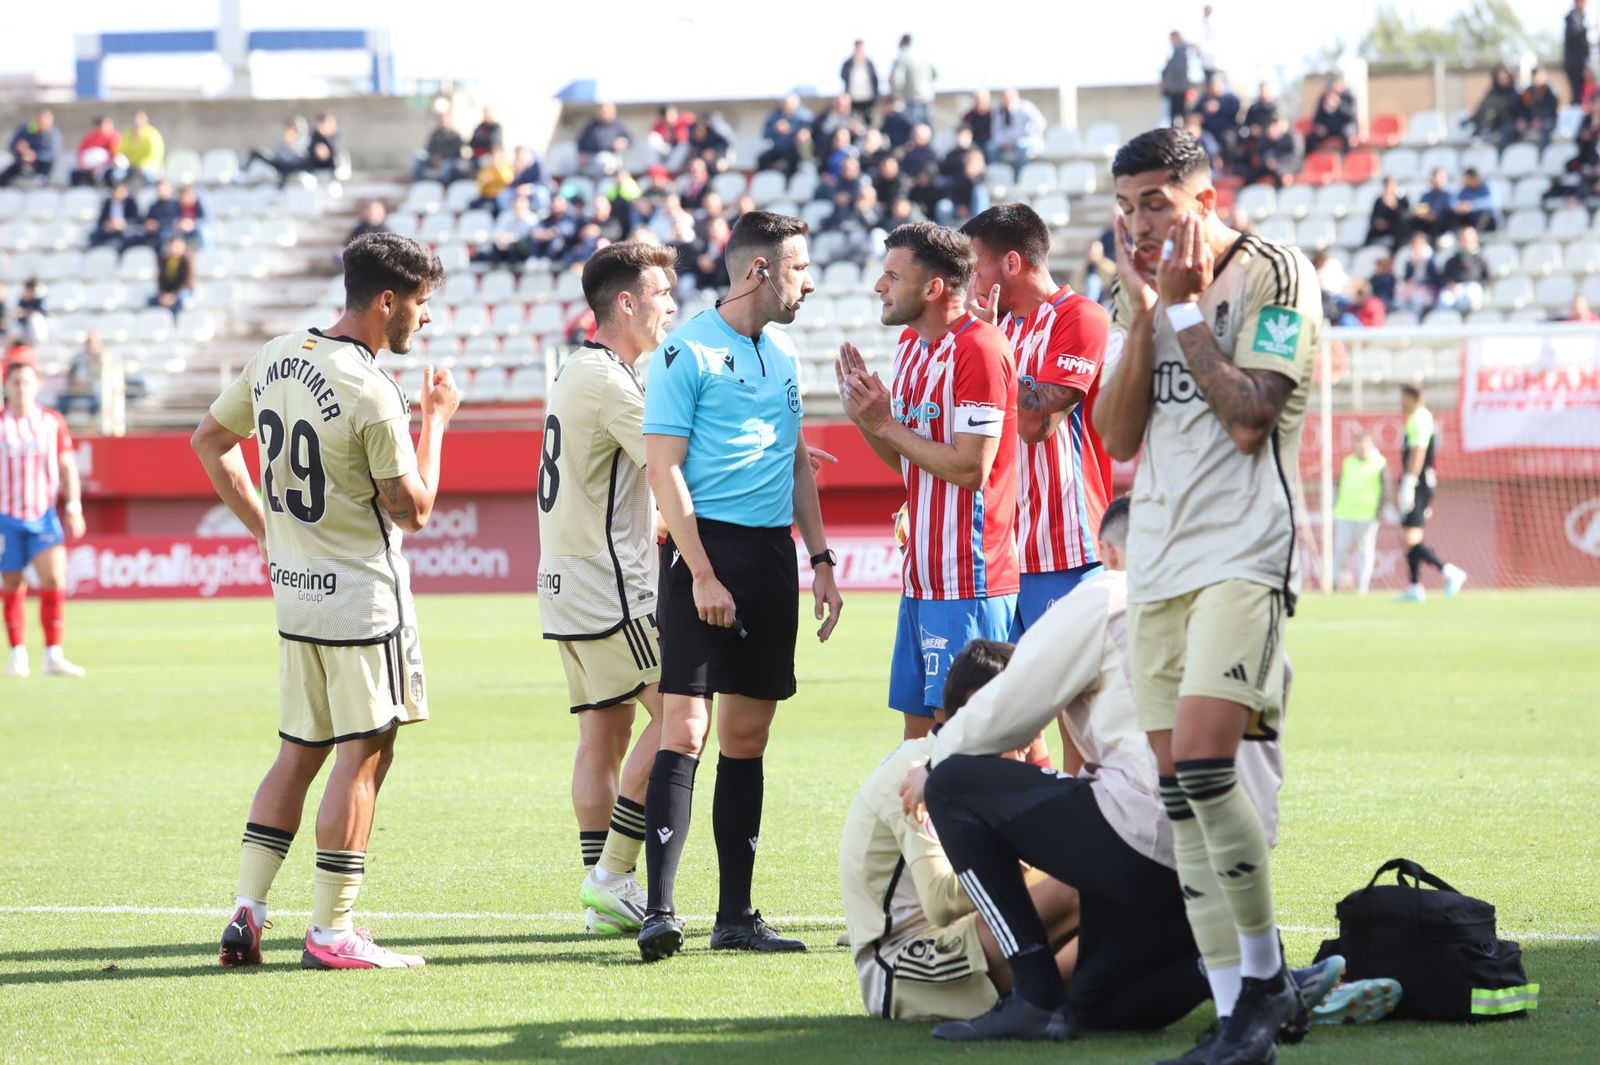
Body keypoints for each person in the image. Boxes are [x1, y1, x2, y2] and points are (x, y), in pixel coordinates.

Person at [1094, 126, 1324, 1065]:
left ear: (1204, 193)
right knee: (1177, 793)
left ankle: (1266, 980)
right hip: (1154, 561)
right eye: (1129, 204)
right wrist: (1148, 311)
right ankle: (1240, 1017)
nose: (1143, 221)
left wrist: (1185, 312)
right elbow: (1114, 434)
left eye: (1159, 200)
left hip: (1244, 550)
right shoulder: (1135, 287)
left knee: (1203, 768)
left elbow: (1251, 418)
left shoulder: (1275, 272)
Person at [192, 232, 457, 971]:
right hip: (361, 601)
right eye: (421, 304)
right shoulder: (373, 389)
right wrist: (436, 420)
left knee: (296, 752)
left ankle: (246, 910)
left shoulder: (276, 354)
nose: (425, 319)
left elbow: (209, 440)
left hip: (295, 597)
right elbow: (414, 510)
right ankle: (333, 930)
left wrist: (268, 532)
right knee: (365, 755)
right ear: (386, 301)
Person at [635, 211, 842, 961]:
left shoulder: (785, 353)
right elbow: (665, 472)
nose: (808, 281)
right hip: (703, 551)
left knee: (747, 737)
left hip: (768, 560)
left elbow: (794, 466)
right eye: (798, 267)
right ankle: (659, 911)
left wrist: (820, 560)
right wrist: (702, 571)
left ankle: (735, 915)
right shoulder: (684, 351)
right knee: (684, 728)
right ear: (759, 271)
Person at [538, 242, 679, 936]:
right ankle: (613, 875)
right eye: (662, 293)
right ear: (627, 302)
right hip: (609, 588)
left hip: (565, 583)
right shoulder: (612, 380)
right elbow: (665, 459)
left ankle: (603, 894)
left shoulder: (577, 370)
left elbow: (612, 480)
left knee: (605, 732)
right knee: (683, 712)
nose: (671, 306)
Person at [836, 222, 1018, 740]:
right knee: (918, 741)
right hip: (921, 578)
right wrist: (866, 419)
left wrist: (885, 423)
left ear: (934, 288)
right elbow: (911, 466)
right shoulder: (913, 350)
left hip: (970, 579)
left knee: (970, 739)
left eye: (892, 276)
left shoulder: (979, 349)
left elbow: (969, 467)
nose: (879, 287)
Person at [840, 639, 1081, 1022]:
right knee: (1078, 888)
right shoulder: (919, 771)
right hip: (905, 966)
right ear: (980, 714)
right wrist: (1031, 852)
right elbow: (939, 900)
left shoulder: (960, 766)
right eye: (1020, 715)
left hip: (960, 946)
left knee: (1112, 916)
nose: (1032, 735)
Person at [961, 204, 1112, 635]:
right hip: (1001, 554)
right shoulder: (1000, 328)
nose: (971, 280)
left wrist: (991, 349)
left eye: (976, 266)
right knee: (1001, 698)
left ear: (1012, 262)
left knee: (1073, 698)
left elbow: (1035, 424)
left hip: (1064, 548)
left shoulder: (1080, 317)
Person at [1, 360, 87, 679]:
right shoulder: (1, 423)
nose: (21, 388)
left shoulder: (52, 422)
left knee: (54, 579)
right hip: (5, 518)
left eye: (26, 382)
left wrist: (74, 507)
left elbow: (67, 467)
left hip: (43, 515)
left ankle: (53, 654)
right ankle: (18, 655)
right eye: (15, 382)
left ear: (36, 385)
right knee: (12, 584)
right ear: (6, 387)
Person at [1393, 385, 1467, 603]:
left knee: (1410, 537)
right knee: (1408, 538)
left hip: (1418, 482)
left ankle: (1449, 572)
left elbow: (1418, 452)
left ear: (1412, 398)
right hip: (1419, 482)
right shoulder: (1418, 418)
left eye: (1403, 398)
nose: (1401, 403)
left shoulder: (1418, 419)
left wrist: (1409, 481)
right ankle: (1414, 586)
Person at [1332, 434, 1386, 595]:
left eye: (1364, 446)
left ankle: (1362, 588)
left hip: (1367, 515)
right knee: (1340, 547)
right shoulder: (1348, 462)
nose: (1361, 449)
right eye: (1359, 446)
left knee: (1365, 551)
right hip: (1345, 513)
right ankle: (1332, 583)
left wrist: (1378, 512)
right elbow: (1339, 484)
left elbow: (1385, 489)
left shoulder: (1379, 463)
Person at [1467, 66, 1523, 149]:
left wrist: (1520, 119)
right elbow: (1482, 108)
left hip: (1509, 123)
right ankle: (1482, 133)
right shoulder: (1492, 93)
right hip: (1495, 122)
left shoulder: (1514, 93)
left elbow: (1519, 109)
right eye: (1500, 78)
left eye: (1505, 77)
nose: (1503, 80)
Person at [988, 90, 1047, 168]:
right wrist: (1004, 142)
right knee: (990, 147)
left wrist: (1021, 135)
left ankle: (1020, 175)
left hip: (1024, 140)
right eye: (1004, 98)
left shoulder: (1025, 107)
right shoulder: (1000, 111)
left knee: (1022, 148)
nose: (1006, 101)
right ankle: (999, 172)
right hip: (1006, 142)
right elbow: (996, 131)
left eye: (1008, 98)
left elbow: (1040, 123)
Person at [0, 110, 60, 187]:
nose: (43, 125)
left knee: (45, 167)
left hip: (41, 165)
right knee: (6, 174)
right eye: (41, 122)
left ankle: (40, 183)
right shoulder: (26, 129)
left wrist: (34, 155)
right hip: (22, 162)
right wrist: (21, 150)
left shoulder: (53, 134)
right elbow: (13, 145)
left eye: (46, 123)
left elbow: (51, 153)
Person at [889, 34, 937, 126]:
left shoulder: (903, 57)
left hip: (911, 99)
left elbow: (897, 80)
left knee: (915, 132)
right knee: (927, 131)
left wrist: (897, 96)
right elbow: (935, 74)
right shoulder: (924, 55)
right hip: (927, 97)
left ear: (902, 43)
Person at [414, 111, 466, 183]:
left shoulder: (455, 135)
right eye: (441, 120)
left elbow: (455, 151)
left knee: (447, 165)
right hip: (433, 159)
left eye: (444, 120)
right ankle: (418, 184)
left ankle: (444, 187)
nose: (442, 122)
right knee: (418, 155)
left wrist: (441, 158)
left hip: (449, 159)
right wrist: (433, 157)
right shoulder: (434, 134)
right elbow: (429, 148)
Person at [90, 182, 143, 250]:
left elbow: (136, 218)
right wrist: (107, 225)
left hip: (124, 229)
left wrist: (123, 223)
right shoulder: (107, 203)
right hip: (110, 229)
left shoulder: (130, 203)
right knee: (94, 236)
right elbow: (101, 220)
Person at [1161, 33, 1198, 127]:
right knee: (1176, 115)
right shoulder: (1179, 51)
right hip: (1176, 88)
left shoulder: (1181, 51)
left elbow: (1179, 69)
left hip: (1179, 89)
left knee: (1179, 114)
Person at [150, 236, 194, 315]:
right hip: (168, 292)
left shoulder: (187, 260)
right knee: (152, 301)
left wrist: (173, 295)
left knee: (181, 300)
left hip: (181, 291)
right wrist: (162, 294)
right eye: (173, 246)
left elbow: (187, 281)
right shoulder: (164, 260)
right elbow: (161, 279)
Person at [1364, 176, 1411, 249]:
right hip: (1382, 229)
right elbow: (1373, 218)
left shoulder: (1402, 199)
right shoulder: (1379, 201)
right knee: (1370, 233)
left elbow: (1405, 217)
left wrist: (1394, 206)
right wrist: (1378, 223)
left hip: (1396, 228)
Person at [1519, 67, 1561, 148]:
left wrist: (1541, 121)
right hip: (1532, 121)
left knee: (1545, 131)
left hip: (1547, 120)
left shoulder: (1549, 91)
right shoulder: (1528, 92)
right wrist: (1527, 121)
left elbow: (1552, 110)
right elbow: (1524, 109)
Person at [841, 39, 880, 122]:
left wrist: (876, 97)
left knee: (869, 121)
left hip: (868, 99)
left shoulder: (869, 63)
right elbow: (842, 76)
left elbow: (875, 80)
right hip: (853, 99)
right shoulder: (848, 63)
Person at [123, 111, 164, 183]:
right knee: (117, 175)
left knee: (148, 175)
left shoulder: (152, 134)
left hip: (149, 166)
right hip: (132, 166)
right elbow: (122, 150)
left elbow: (154, 154)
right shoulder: (128, 134)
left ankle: (150, 192)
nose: (137, 125)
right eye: (135, 123)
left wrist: (140, 166)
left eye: (139, 123)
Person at [1565, 0, 1592, 107]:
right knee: (1576, 91)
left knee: (1581, 91)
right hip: (1574, 62)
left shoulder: (1582, 17)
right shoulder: (1571, 17)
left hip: (1581, 61)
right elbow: (1574, 36)